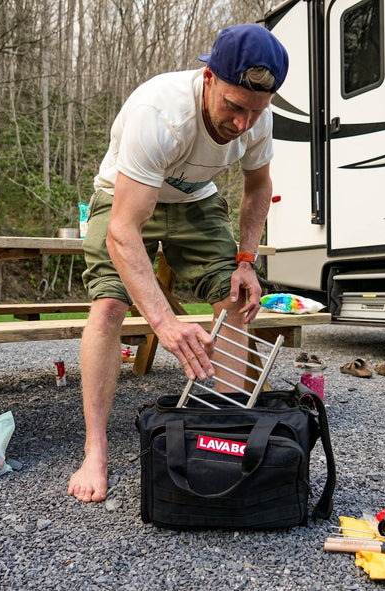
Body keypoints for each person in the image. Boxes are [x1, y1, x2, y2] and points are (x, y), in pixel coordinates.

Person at [67, 23, 289, 503]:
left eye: (255, 111)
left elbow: (256, 190)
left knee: (235, 295)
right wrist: (164, 323)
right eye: (233, 106)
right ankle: (95, 448)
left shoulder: (257, 119)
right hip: (123, 198)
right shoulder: (160, 112)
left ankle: (225, 428)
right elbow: (124, 232)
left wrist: (246, 260)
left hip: (196, 202)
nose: (242, 124)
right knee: (108, 307)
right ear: (209, 78)